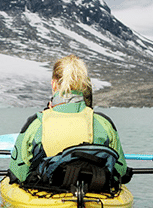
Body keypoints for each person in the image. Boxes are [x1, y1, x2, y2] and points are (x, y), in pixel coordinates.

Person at [7, 55, 132, 191]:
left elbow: (17, 173)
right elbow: (121, 170)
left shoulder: (36, 123)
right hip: (94, 190)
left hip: (48, 193)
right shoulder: (104, 123)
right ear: (84, 85)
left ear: (54, 84)